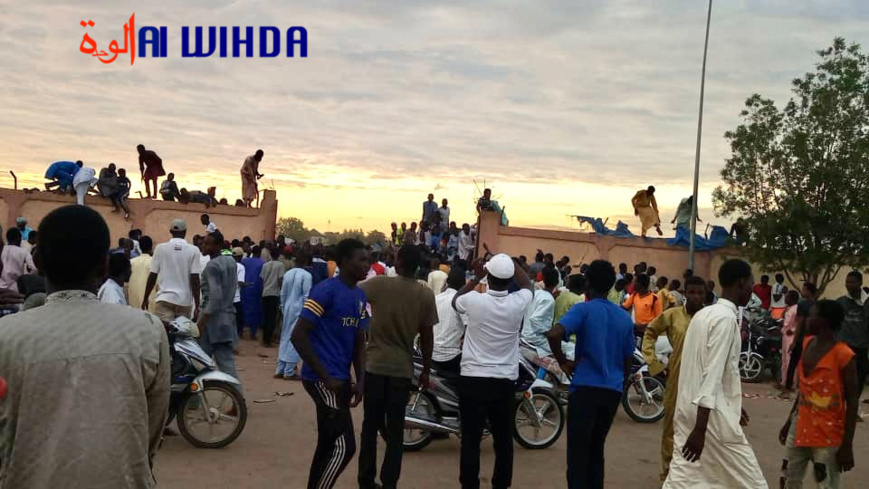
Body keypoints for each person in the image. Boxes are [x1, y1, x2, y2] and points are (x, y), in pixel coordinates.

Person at [0, 205, 169, 487]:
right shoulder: (148, 331)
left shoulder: (6, 335)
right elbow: (150, 429)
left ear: (38, 261)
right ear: (104, 265)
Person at [663, 259, 767, 489]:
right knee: (753, 483)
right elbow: (712, 374)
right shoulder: (726, 320)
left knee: (684, 479)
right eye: (751, 284)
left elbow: (702, 369)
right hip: (710, 419)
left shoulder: (703, 315)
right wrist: (701, 429)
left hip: (689, 409)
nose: (752, 290)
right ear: (741, 283)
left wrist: (732, 402)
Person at [547, 260, 635, 489]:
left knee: (578, 454)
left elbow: (554, 334)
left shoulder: (583, 310)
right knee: (596, 450)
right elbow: (628, 359)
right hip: (611, 391)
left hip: (585, 389)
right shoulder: (624, 317)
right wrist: (621, 383)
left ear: (587, 283)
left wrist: (563, 362)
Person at [290, 239, 370, 489]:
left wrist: (361, 381)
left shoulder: (360, 296)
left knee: (327, 443)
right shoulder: (325, 290)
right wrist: (325, 377)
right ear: (344, 262)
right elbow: (298, 335)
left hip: (340, 380)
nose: (367, 265)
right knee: (344, 446)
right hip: (322, 380)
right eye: (361, 259)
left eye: (368, 260)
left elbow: (359, 342)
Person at [358, 244, 438, 489]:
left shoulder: (378, 284)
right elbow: (427, 336)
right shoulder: (425, 294)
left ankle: (366, 480)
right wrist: (426, 369)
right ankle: (389, 482)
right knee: (394, 431)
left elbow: (352, 291)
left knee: (370, 426)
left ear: (399, 262)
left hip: (374, 366)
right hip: (401, 371)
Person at [451, 254, 534, 489]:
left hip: (473, 379)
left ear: (488, 277)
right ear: (509, 280)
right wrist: (513, 264)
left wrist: (476, 277)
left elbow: (455, 300)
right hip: (504, 382)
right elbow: (528, 285)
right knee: (503, 440)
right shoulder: (519, 302)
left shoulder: (473, 300)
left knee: (471, 440)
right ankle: (501, 484)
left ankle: (469, 485)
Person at [779, 300, 858, 489]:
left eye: (811, 316)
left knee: (826, 483)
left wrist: (847, 445)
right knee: (788, 478)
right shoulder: (807, 343)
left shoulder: (843, 355)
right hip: (800, 425)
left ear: (823, 321)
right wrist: (789, 421)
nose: (806, 320)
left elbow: (853, 401)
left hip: (828, 432)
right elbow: (803, 390)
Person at [642, 276, 707, 482]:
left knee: (701, 427)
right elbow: (650, 332)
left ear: (705, 295)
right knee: (672, 427)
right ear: (685, 293)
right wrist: (654, 363)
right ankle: (668, 475)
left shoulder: (709, 318)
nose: (696, 297)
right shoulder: (672, 315)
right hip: (677, 378)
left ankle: (695, 476)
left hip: (703, 381)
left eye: (700, 293)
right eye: (692, 292)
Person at [197, 231, 242, 385]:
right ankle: (236, 394)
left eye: (207, 243)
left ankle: (194, 394)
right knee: (225, 364)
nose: (203, 246)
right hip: (227, 318)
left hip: (212, 322)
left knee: (198, 361)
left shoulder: (212, 266)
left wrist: (201, 322)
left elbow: (215, 297)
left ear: (218, 246)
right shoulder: (230, 262)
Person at [141, 219, 202, 322]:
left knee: (164, 331)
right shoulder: (194, 250)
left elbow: (153, 275)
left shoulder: (160, 248)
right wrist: (197, 305)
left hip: (164, 298)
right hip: (184, 301)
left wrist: (145, 297)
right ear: (185, 231)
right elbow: (195, 278)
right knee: (182, 330)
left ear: (170, 231)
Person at [276, 250, 312, 379]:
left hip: (287, 308)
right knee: (296, 337)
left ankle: (280, 368)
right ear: (306, 262)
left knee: (285, 336)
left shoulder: (288, 274)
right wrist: (306, 313)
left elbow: (283, 293)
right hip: (300, 309)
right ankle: (289, 371)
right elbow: (307, 296)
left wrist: (283, 307)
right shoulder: (307, 275)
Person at [837, 271, 868, 400]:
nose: (849, 285)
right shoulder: (841, 302)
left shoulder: (867, 303)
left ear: (860, 283)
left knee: (858, 380)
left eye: (852, 282)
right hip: (843, 347)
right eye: (847, 282)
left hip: (860, 348)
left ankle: (852, 406)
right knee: (840, 380)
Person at [785, 282, 819, 394]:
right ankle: (805, 386)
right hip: (813, 338)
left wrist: (794, 341)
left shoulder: (802, 305)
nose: (802, 291)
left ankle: (788, 386)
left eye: (804, 289)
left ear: (809, 291)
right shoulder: (817, 305)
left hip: (801, 338)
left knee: (793, 363)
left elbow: (799, 323)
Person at [432, 267, 467, 376]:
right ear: (464, 284)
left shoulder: (436, 298)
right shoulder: (461, 301)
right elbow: (469, 328)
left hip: (432, 354)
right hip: (452, 357)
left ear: (447, 281)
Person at [522, 266, 559, 359]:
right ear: (557, 282)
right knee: (569, 349)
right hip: (535, 338)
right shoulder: (549, 299)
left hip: (525, 334)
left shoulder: (536, 293)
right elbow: (535, 319)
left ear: (543, 280)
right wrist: (548, 333)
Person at [260, 247, 284, 346]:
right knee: (272, 317)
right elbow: (280, 279)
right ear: (278, 256)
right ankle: (268, 340)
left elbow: (262, 278)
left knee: (265, 316)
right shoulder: (280, 265)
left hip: (265, 293)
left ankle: (264, 339)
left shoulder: (265, 265)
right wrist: (281, 290)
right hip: (274, 293)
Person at [241, 247, 265, 340]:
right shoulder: (262, 263)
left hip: (245, 287)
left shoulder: (245, 261)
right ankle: (252, 333)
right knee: (256, 310)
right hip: (257, 288)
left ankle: (240, 331)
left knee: (243, 308)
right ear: (260, 253)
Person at [780, 291, 801, 387]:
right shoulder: (789, 308)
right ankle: (784, 381)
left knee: (789, 360)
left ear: (792, 299)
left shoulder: (796, 309)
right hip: (785, 335)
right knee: (784, 360)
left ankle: (791, 382)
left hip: (791, 336)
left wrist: (793, 330)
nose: (785, 298)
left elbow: (799, 323)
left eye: (787, 297)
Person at [129, 236, 155, 312]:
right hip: (150, 306)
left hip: (133, 306)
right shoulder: (154, 263)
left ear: (139, 247)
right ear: (151, 247)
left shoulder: (131, 262)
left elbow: (126, 285)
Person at [231, 247, 247, 337]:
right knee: (239, 319)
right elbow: (240, 283)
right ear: (240, 256)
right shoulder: (241, 267)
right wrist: (247, 284)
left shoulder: (227, 265)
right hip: (236, 297)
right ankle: (238, 334)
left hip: (226, 297)